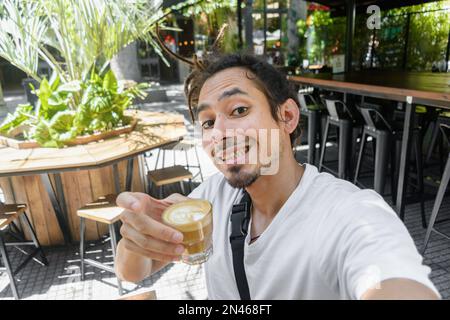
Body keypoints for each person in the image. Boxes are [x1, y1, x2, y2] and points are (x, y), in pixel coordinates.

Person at [114, 53, 439, 300]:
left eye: (238, 111)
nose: (220, 134)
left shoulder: (351, 215)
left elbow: (391, 277)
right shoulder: (212, 197)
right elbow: (131, 273)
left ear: (286, 116)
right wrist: (136, 238)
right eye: (208, 122)